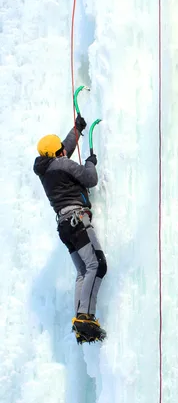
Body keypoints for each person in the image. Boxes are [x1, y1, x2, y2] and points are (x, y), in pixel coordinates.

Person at [33, 115, 107, 343]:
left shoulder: (46, 171)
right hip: (78, 220)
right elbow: (90, 178)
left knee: (83, 272)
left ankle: (80, 321)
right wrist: (91, 161)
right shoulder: (62, 163)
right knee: (98, 264)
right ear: (57, 152)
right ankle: (85, 317)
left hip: (65, 227)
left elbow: (63, 151)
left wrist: (76, 130)